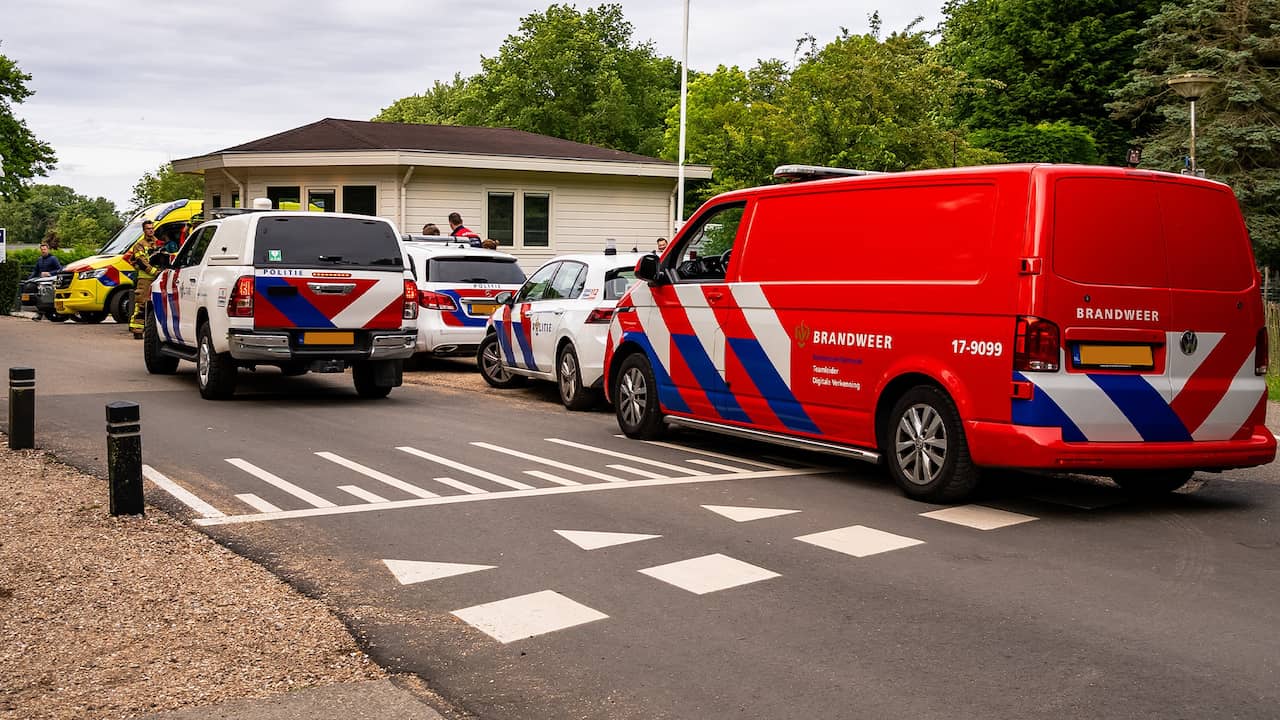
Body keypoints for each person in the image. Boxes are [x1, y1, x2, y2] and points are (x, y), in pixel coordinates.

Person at [123, 220, 163, 339]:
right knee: (142, 304)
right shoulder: (139, 245)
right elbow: (141, 261)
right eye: (148, 228)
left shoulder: (159, 243)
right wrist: (154, 272)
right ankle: (137, 329)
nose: (151, 230)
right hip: (145, 279)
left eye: (152, 228)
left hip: (160, 277)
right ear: (144, 230)